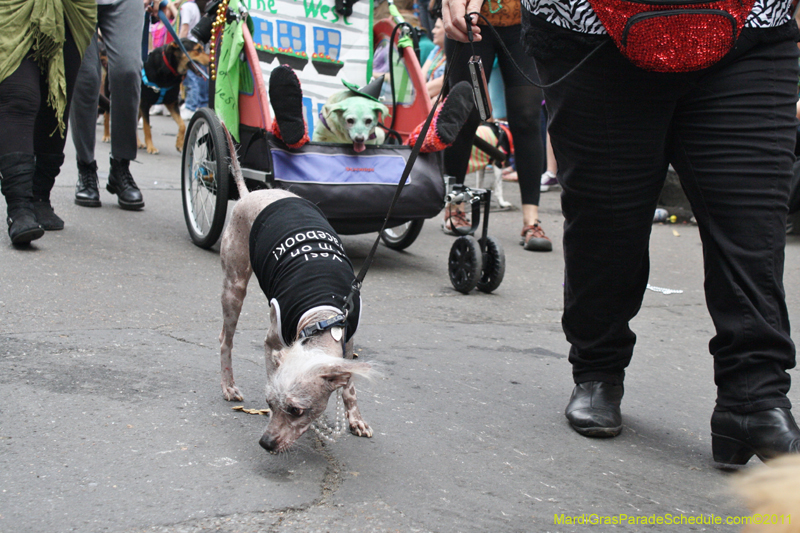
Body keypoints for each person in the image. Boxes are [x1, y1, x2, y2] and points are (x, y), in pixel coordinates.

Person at [444, 0, 800, 464]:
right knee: (607, 220)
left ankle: (754, 396)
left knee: (751, 221)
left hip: (749, 33)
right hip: (592, 36)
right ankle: (598, 368)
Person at [440, 0, 551, 252]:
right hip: (471, 17)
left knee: (527, 115)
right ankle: (455, 207)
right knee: (466, 113)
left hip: (522, 19)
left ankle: (531, 221)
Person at [0, 0, 96, 244]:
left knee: (57, 101)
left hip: (72, 7)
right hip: (12, 6)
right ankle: (19, 208)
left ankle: (40, 195)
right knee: (20, 96)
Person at [70, 0, 150, 211]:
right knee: (85, 78)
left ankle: (120, 168)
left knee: (128, 70)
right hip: (78, 3)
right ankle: (86, 167)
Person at [179, 0, 207, 119]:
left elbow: (185, 28)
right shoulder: (194, 6)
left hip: (189, 47)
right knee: (198, 76)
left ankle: (190, 106)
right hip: (196, 45)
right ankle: (198, 104)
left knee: (191, 79)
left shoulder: (186, 6)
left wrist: (178, 44)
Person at [421, 18, 446, 99]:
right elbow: (421, 76)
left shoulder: (456, 53)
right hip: (426, 95)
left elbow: (442, 83)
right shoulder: (437, 49)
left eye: (438, 27)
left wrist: (417, 92)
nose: (433, 31)